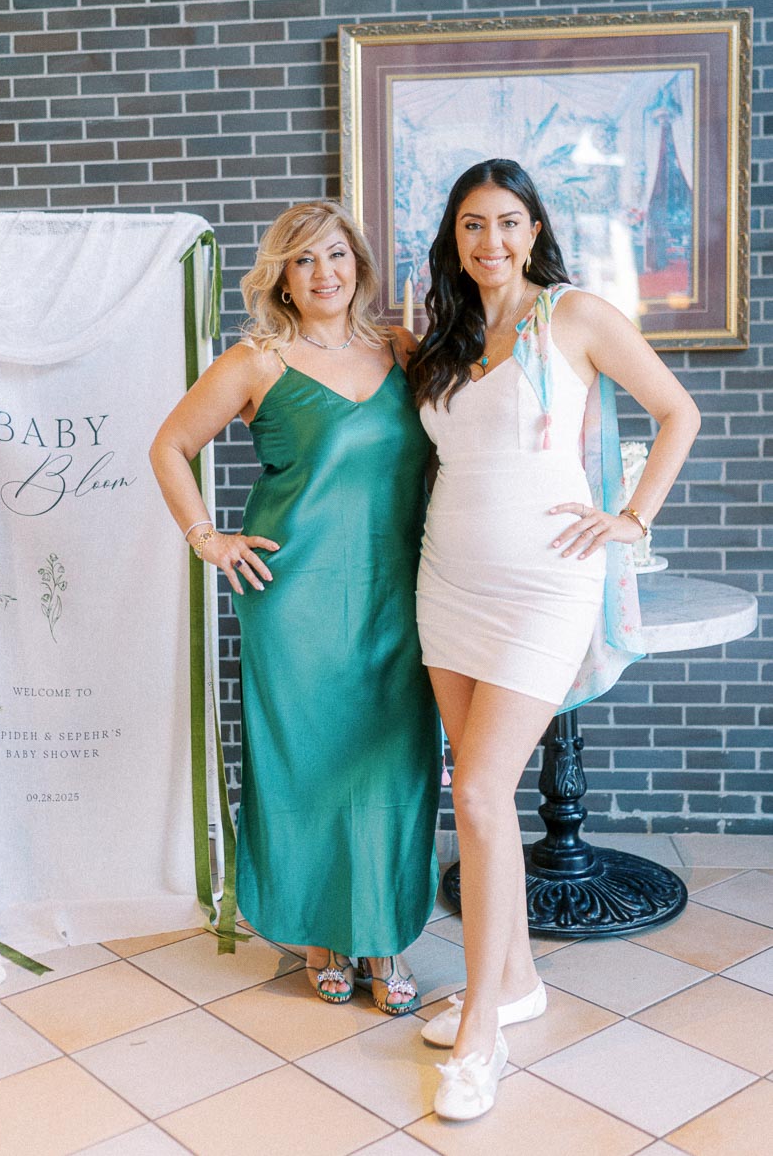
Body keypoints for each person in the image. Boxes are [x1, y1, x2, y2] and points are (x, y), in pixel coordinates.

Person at [409, 159, 700, 1121]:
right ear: (453, 239)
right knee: (476, 788)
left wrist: (634, 517)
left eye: (506, 223)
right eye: (470, 227)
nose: (489, 243)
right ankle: (521, 979)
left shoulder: (573, 315)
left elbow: (676, 412)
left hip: (544, 584)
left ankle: (485, 1032)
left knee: (483, 792)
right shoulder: (444, 335)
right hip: (448, 579)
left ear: (534, 229)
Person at [149, 201, 441, 1013]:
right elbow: (168, 446)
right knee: (307, 771)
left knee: (391, 768)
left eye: (339, 255)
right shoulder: (257, 361)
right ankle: (319, 937)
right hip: (295, 603)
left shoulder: (403, 350)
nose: (325, 273)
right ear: (282, 272)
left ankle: (382, 938)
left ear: (361, 265)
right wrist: (210, 538)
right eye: (306, 259)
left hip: (402, 594)